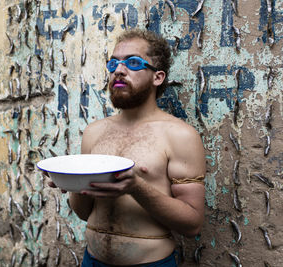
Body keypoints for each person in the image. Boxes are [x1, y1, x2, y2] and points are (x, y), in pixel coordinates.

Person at [52, 29, 206, 267]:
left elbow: (192, 224)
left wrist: (136, 187)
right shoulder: (95, 131)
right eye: (113, 63)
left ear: (158, 77)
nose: (119, 70)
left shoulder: (180, 135)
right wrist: (72, 183)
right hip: (92, 260)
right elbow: (84, 213)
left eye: (133, 63)